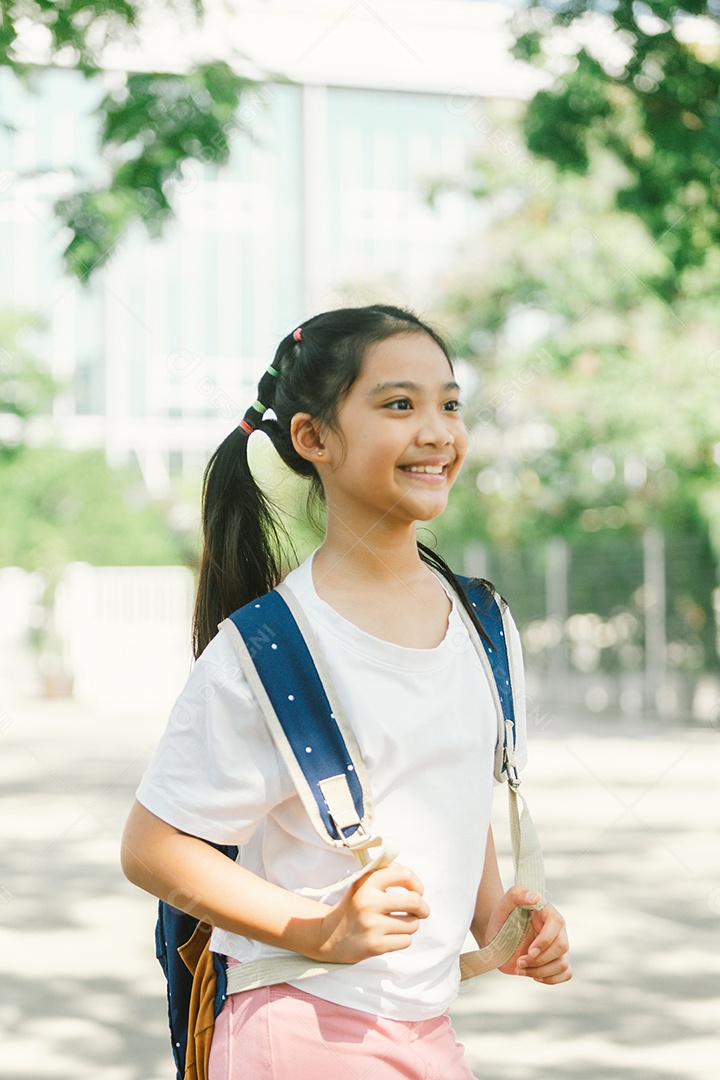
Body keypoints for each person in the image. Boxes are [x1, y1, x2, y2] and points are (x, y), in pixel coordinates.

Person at [121, 305, 571, 1080]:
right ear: (314, 438)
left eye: (450, 404)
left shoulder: (484, 623)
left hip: (426, 1027)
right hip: (296, 1030)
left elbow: (448, 798)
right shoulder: (265, 652)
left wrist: (498, 915)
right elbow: (153, 847)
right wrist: (319, 928)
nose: (437, 432)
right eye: (399, 405)